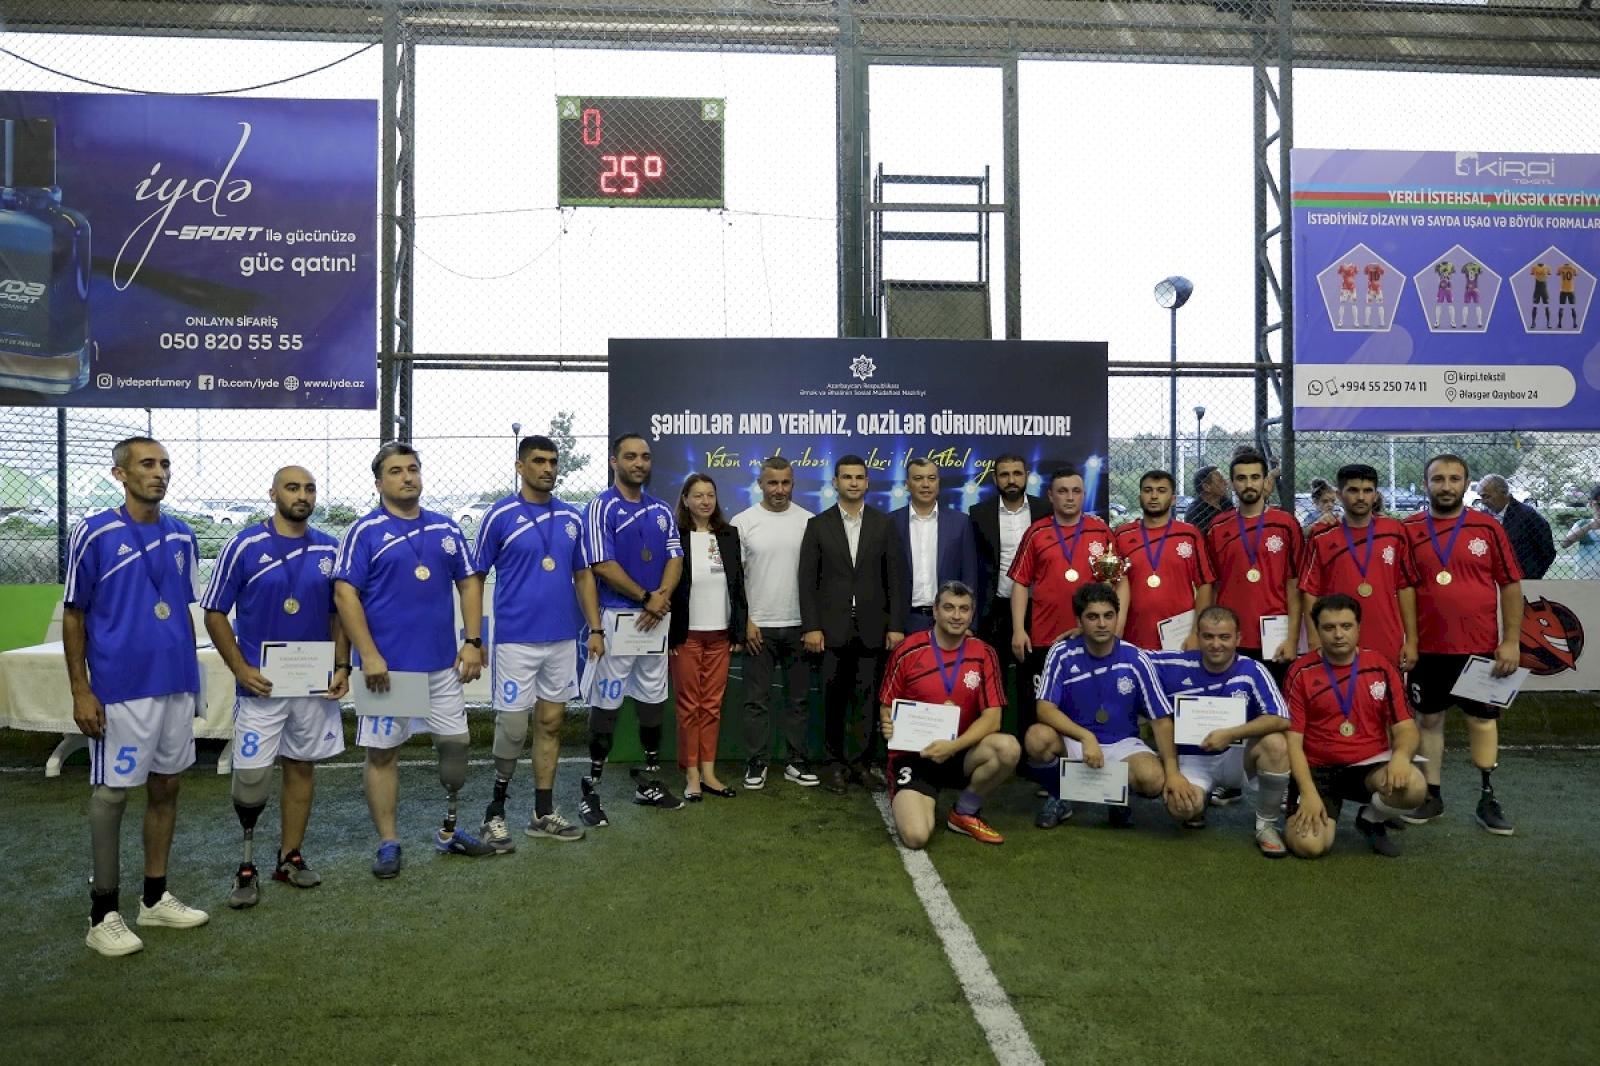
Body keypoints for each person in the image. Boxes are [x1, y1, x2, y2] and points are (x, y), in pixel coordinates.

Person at [65, 436, 209, 956]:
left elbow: (180, 609)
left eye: (165, 464)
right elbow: (75, 614)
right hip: (121, 688)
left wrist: (193, 679)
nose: (159, 473)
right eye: (147, 464)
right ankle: (102, 913)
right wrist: (81, 689)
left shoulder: (183, 534)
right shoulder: (95, 532)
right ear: (120, 474)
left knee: (166, 786)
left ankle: (154, 897)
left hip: (174, 683)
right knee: (113, 794)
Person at [334, 442, 494, 878]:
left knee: (456, 748)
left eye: (413, 469)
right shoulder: (364, 532)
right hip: (388, 672)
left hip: (442, 667)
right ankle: (388, 842)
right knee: (383, 755)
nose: (407, 477)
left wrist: (473, 640)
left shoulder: (445, 528)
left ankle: (449, 830)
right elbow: (345, 594)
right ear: (378, 482)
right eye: (396, 471)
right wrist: (368, 655)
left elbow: (469, 582)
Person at [202, 466, 350, 909]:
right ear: (273, 494)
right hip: (261, 688)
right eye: (292, 488)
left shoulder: (330, 548)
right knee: (252, 777)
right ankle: (245, 866)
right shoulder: (244, 545)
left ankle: (289, 856)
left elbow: (339, 615)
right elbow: (214, 612)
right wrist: (240, 668)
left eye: (309, 488)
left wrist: (342, 665)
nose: (302, 495)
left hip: (313, 686)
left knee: (301, 767)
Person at [473, 435, 600, 850]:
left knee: (551, 723)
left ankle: (542, 813)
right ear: (520, 466)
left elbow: (583, 574)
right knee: (512, 729)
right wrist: (475, 637)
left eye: (553, 462)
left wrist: (595, 629)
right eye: (539, 461)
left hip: (562, 640)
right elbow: (474, 577)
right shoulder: (499, 515)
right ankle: (494, 813)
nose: (548, 468)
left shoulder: (572, 517)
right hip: (516, 641)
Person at [1399, 454, 1524, 835]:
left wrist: (1511, 641)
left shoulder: (1488, 528)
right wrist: (1410, 641)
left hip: (1480, 648)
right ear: (1426, 484)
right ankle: (1431, 795)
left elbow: (1510, 585)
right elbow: (1401, 586)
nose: (1446, 486)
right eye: (1438, 479)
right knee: (1428, 720)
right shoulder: (1408, 529)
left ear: (1466, 485)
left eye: (1454, 479)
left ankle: (1488, 798)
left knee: (1482, 721)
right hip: (1428, 649)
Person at [1023, 583, 1199, 830]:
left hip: (1122, 744)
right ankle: (1059, 796)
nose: (1102, 624)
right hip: (1075, 740)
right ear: (1079, 621)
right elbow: (1044, 709)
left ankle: (1117, 798)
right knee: (1037, 738)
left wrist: (1173, 773)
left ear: (1117, 617)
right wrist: (1085, 737)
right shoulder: (1061, 652)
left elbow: (1160, 720)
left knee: (1152, 779)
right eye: (1092, 617)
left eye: (1108, 616)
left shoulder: (1136, 658)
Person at [580, 433, 686, 823]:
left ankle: (649, 779)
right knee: (606, 704)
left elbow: (675, 557)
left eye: (645, 457)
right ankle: (591, 787)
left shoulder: (661, 509)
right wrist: (646, 598)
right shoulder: (600, 507)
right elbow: (601, 565)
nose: (639, 463)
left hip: (655, 620)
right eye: (630, 457)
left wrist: (660, 598)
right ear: (614, 462)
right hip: (616, 618)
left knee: (652, 701)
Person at [878, 581, 1019, 848]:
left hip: (961, 752)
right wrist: (888, 723)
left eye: (964, 609)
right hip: (916, 756)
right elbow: (887, 705)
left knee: (1007, 748)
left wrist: (952, 747)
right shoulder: (907, 650)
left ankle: (964, 811)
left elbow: (993, 719)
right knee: (916, 837)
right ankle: (916, 794)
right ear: (935, 611)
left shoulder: (984, 653)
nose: (956, 616)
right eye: (949, 608)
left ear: (972, 613)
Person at [798, 454, 908, 794]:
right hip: (831, 631)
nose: (854, 482)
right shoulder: (818, 525)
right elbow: (807, 581)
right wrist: (812, 626)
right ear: (835, 482)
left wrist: (895, 625)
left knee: (867, 700)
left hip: (873, 630)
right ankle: (834, 765)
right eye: (847, 477)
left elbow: (896, 579)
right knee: (832, 701)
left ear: (867, 482)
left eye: (859, 477)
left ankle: (860, 764)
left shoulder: (883, 524)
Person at [1284, 594, 1424, 858]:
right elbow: (1292, 741)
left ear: (1359, 627)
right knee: (1309, 846)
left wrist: (1401, 757)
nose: (1338, 634)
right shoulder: (1300, 672)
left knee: (1414, 785)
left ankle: (1371, 818)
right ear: (1317, 630)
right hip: (1319, 770)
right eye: (1329, 627)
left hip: (1368, 766)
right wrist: (1308, 792)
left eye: (1346, 626)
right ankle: (1314, 806)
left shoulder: (1381, 666)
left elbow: (1405, 727)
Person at [1148, 606, 1292, 856]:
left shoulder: (1253, 670)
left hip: (1237, 757)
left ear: (1238, 638)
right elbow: (1127, 655)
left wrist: (1232, 733)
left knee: (1276, 744)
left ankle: (1266, 826)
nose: (1216, 645)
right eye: (1208, 636)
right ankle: (1199, 801)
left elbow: (1281, 718)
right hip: (1193, 761)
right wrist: (1084, 634)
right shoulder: (1174, 663)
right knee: (1181, 808)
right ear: (1198, 636)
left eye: (1224, 637)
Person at [1007, 466, 1122, 739]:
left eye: (1076, 491)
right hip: (1045, 636)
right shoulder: (1036, 532)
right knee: (1041, 708)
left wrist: (1109, 628)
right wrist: (1019, 629)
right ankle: (1039, 760)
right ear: (1050, 495)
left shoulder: (1101, 531)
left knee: (1088, 704)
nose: (1070, 497)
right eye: (1062, 491)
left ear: (1083, 494)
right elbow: (1021, 583)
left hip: (1090, 638)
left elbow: (1114, 583)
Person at [731, 457, 819, 790]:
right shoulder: (743, 522)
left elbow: (818, 579)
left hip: (799, 625)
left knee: (798, 699)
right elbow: (735, 581)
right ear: (760, 484)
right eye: (772, 483)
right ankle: (757, 762)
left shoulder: (809, 522)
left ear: (793, 483)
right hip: (758, 628)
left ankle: (796, 761)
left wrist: (813, 624)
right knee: (756, 701)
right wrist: (747, 621)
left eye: (785, 483)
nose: (779, 490)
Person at [669, 474, 748, 801]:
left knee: (712, 706)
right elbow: (671, 587)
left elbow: (738, 586)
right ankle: (691, 776)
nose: (705, 501)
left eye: (710, 495)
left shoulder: (729, 535)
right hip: (686, 636)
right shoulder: (675, 535)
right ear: (685, 500)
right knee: (689, 706)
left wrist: (739, 629)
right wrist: (671, 635)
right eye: (698, 495)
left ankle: (709, 773)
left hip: (720, 636)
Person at [1299, 463, 1418, 671]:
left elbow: (1405, 587)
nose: (1361, 497)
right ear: (1339, 495)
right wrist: (1314, 640)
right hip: (1337, 639)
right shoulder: (1322, 535)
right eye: (1353, 490)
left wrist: (1412, 640)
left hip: (1387, 637)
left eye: (1367, 491)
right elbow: (1310, 591)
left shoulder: (1394, 532)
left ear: (1376, 495)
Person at [1205, 451, 1303, 681]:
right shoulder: (1217, 527)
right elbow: (1212, 587)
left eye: (1255, 477)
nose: (1249, 484)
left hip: (1275, 637)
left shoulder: (1286, 524)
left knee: (1274, 701)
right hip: (1229, 635)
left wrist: (1292, 639)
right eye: (1241, 478)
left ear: (1265, 481)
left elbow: (1294, 586)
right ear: (1232, 483)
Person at [969, 453, 1050, 724]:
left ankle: (1031, 742)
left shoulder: (1045, 510)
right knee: (995, 681)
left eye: (1017, 473)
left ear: (1027, 476)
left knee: (1033, 682)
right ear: (995, 479)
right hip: (995, 609)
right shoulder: (979, 514)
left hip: (1037, 610)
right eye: (1004, 474)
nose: (1011, 480)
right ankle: (997, 740)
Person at [1112, 469, 1214, 652]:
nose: (1154, 496)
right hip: (1133, 639)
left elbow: (1205, 585)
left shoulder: (1190, 534)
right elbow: (1115, 586)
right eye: (1148, 490)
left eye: (1161, 490)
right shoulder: (1122, 535)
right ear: (1139, 497)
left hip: (1180, 639)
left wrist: (1196, 632)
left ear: (1173, 499)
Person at [892, 456, 980, 634]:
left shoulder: (960, 522)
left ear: (938, 482)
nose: (926, 484)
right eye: (918, 478)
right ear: (907, 484)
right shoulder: (891, 522)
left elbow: (969, 575)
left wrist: (969, 624)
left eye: (931, 478)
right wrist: (892, 626)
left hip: (951, 620)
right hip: (905, 622)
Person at [1477, 474, 1555, 580]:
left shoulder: (1528, 516)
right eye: (1481, 497)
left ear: (1503, 492)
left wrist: (1530, 577)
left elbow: (1547, 551)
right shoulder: (1482, 517)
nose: (1483, 502)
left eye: (1487, 496)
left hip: (1522, 581)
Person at [1561, 484, 1600, 574]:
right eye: (1598, 504)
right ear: (1591, 504)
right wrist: (1589, 527)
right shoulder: (1583, 524)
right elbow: (1564, 544)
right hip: (1585, 576)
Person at [1183, 465, 1233, 532]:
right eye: (1220, 481)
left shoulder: (1226, 502)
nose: (1226, 483)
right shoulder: (1195, 513)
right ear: (1206, 487)